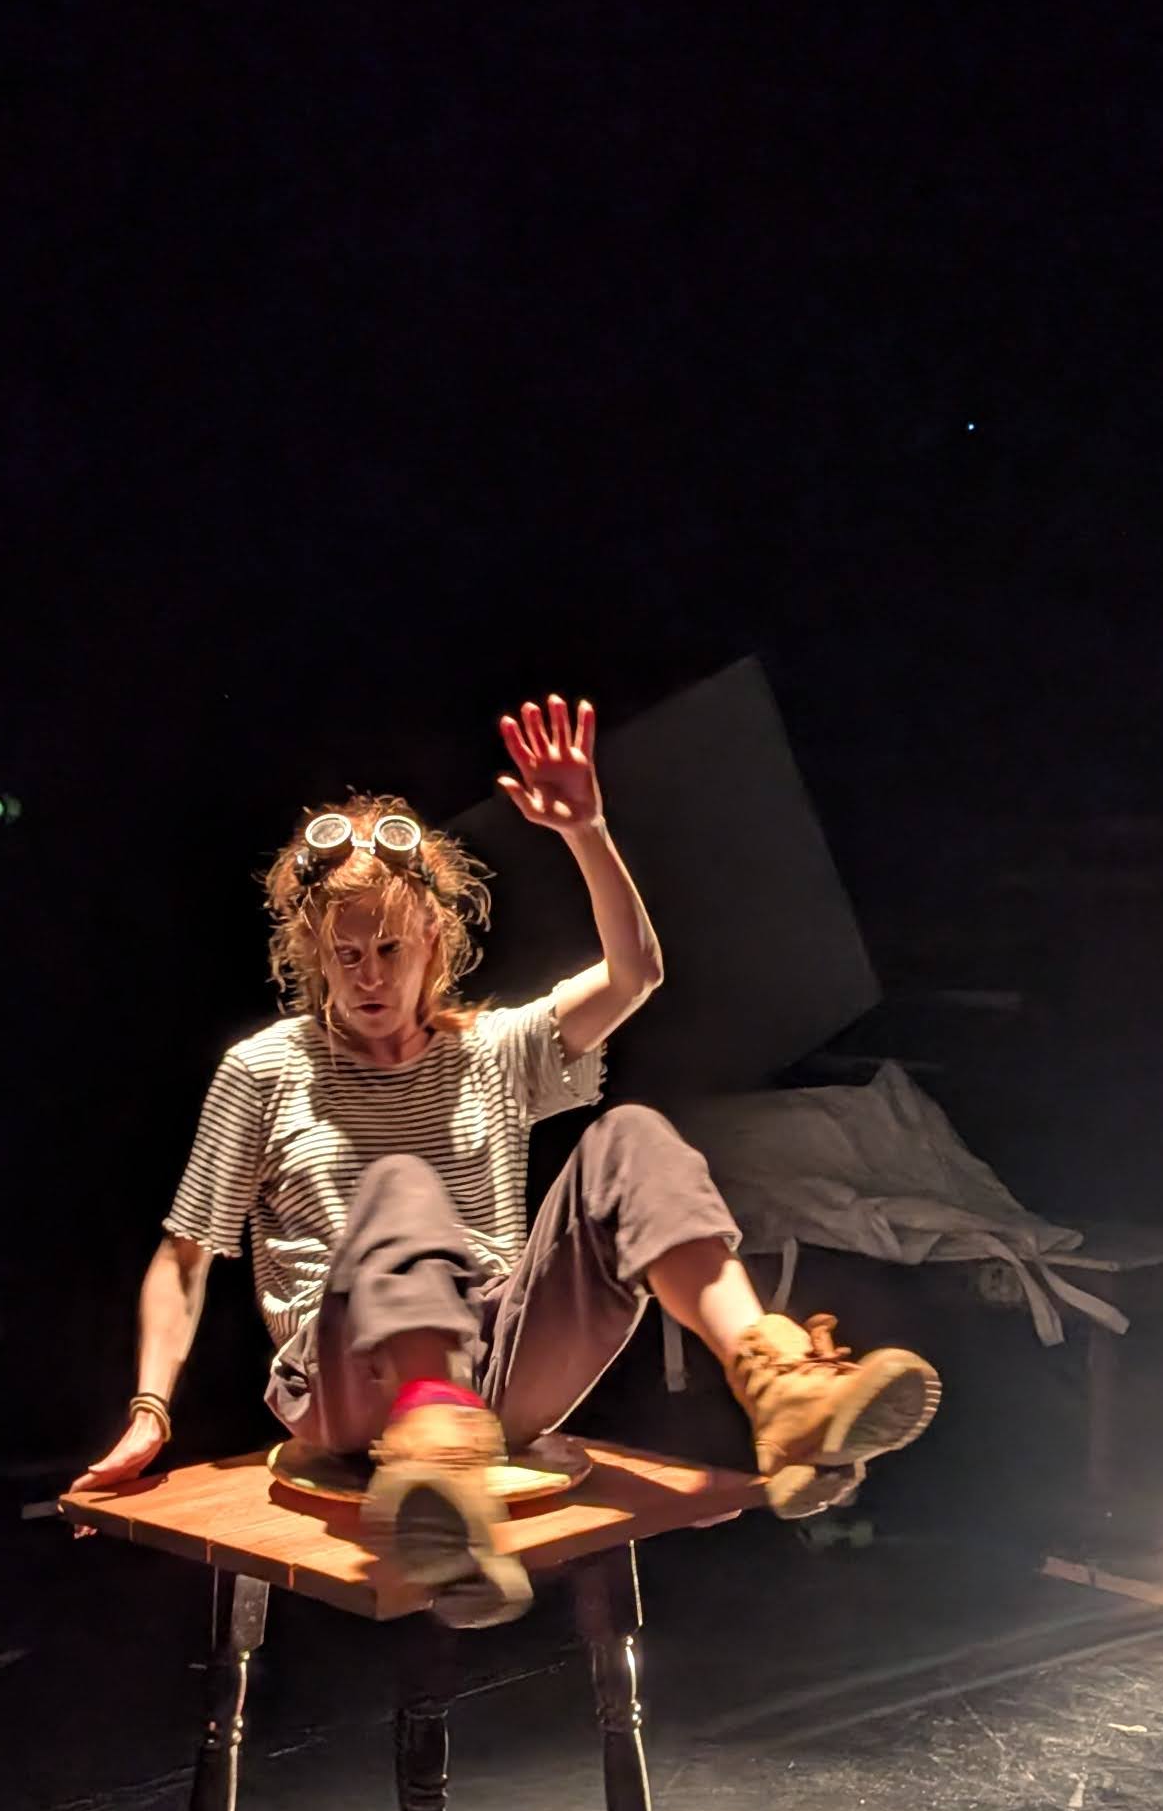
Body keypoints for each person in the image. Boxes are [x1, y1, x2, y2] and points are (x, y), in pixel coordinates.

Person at [69, 694, 940, 1625]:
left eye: (389, 947)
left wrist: (587, 833)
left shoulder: (494, 1051)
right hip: (343, 1383)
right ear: (315, 954)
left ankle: (777, 1387)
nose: (369, 974)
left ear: (432, 941)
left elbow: (636, 975)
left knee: (632, 1139)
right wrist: (150, 1409)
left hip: (499, 1374)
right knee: (400, 1184)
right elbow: (187, 1255)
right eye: (345, 953)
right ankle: (431, 1452)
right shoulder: (266, 1070)